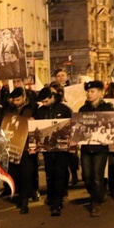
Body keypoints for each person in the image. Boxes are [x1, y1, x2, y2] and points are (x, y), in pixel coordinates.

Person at [78, 81, 114, 217]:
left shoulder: (108, 109)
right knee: (87, 176)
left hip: (100, 148)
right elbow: (79, 128)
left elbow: (112, 127)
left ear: (101, 93)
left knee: (97, 176)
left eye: (92, 91)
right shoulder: (83, 109)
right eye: (88, 91)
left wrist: (108, 138)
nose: (89, 94)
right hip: (86, 147)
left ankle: (96, 203)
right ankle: (98, 193)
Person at [34, 87, 72, 216]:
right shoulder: (40, 111)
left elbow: (72, 126)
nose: (43, 104)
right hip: (48, 149)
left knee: (60, 173)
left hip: (62, 149)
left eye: (45, 101)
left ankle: (57, 202)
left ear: (52, 97)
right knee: (50, 173)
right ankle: (52, 196)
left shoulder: (64, 109)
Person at [2, 87, 39, 213]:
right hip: (12, 145)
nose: (16, 102)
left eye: (18, 100)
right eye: (14, 100)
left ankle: (24, 201)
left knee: (26, 173)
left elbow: (41, 123)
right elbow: (2, 123)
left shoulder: (33, 107)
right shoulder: (8, 108)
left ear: (24, 97)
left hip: (27, 145)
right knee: (14, 174)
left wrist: (33, 121)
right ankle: (20, 195)